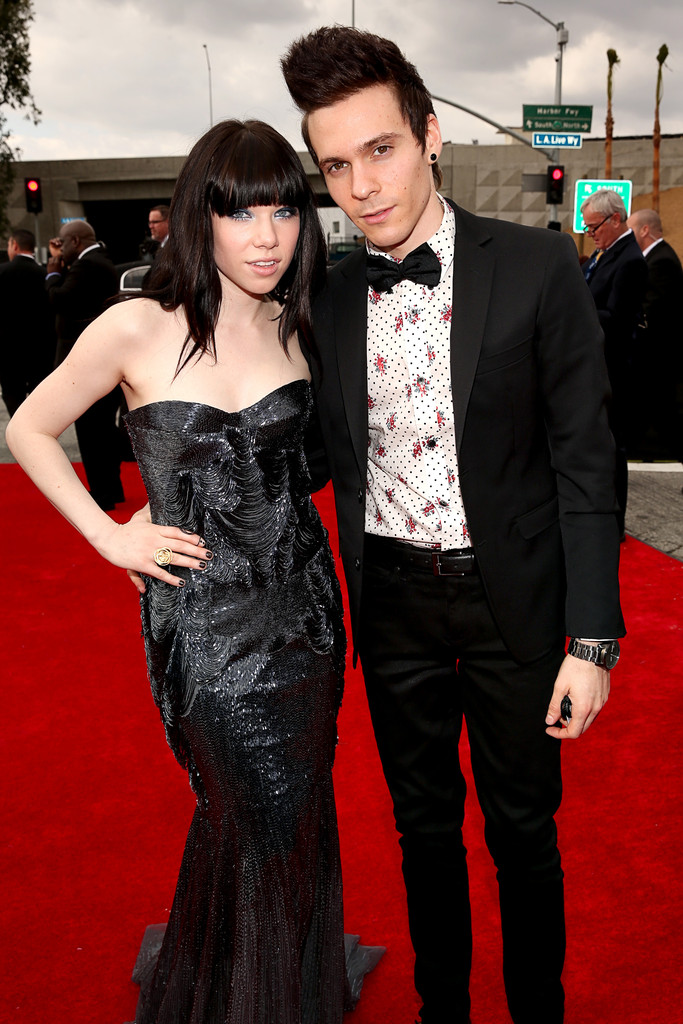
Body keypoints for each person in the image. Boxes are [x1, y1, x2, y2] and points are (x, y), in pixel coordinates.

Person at [282, 26, 624, 1024]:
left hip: (514, 602)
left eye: (379, 149)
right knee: (421, 833)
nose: (360, 186)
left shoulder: (535, 265)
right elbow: (312, 454)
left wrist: (592, 641)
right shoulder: (325, 299)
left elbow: (585, 462)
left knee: (523, 833)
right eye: (335, 166)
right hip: (391, 605)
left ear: (429, 135)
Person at [7, 119, 381, 1024]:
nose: (266, 236)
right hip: (204, 625)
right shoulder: (135, 324)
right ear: (198, 216)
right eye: (241, 213)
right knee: (248, 806)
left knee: (291, 809)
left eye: (283, 212)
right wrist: (109, 535)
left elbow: (320, 465)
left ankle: (265, 981)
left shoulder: (301, 325)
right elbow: (29, 427)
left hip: (303, 613)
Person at [580, 189, 647, 533]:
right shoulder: (605, 253)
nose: (591, 234)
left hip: (614, 369)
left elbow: (618, 319)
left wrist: (575, 311)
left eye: (594, 227)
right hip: (597, 366)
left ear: (616, 219)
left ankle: (614, 521)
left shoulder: (630, 259)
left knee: (612, 446)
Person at [46, 219, 124, 509]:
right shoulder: (99, 261)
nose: (60, 248)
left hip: (88, 361)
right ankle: (111, 488)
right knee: (101, 427)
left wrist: (52, 273)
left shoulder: (87, 266)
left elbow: (59, 298)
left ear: (76, 242)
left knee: (92, 429)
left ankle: (102, 492)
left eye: (63, 242)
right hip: (101, 357)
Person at [626, 208, 683, 459]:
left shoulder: (662, 261)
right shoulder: (654, 258)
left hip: (658, 354)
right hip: (653, 354)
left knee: (663, 414)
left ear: (645, 230)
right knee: (656, 413)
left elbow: (652, 308)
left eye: (631, 230)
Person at [0, 227, 54, 416]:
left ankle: (18, 423)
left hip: (8, 349)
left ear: (14, 245)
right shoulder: (45, 274)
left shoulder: (2, 272)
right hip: (40, 349)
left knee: (12, 394)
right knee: (39, 396)